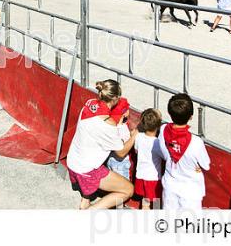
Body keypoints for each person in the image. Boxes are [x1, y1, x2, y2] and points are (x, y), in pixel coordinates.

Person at [66, 80, 136, 209]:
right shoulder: (108, 124)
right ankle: (91, 211)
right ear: (115, 98)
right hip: (85, 170)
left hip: (72, 160)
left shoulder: (89, 104)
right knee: (128, 189)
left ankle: (85, 201)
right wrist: (135, 134)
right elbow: (121, 152)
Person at [158, 93, 210, 210]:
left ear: (170, 114)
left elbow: (162, 151)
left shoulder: (163, 130)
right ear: (191, 116)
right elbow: (205, 165)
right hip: (190, 189)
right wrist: (199, 166)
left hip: (170, 185)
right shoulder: (196, 142)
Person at [133, 108, 163, 209]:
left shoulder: (139, 137)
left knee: (145, 201)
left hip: (140, 175)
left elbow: (136, 150)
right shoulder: (157, 143)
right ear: (158, 126)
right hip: (153, 178)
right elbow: (164, 156)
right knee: (156, 202)